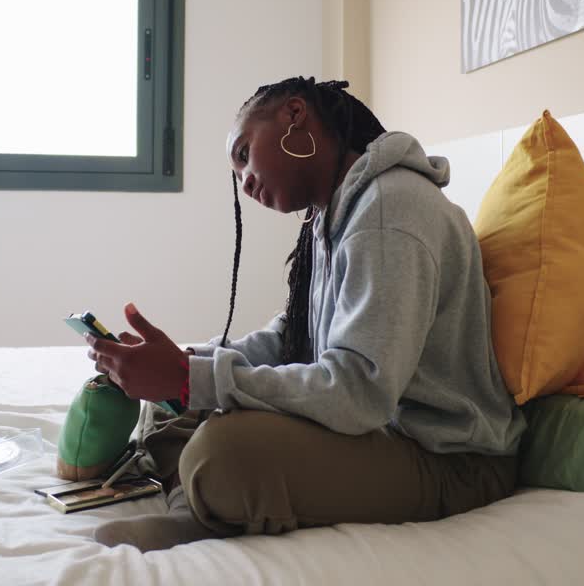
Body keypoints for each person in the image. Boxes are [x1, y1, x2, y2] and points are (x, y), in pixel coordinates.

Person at [84, 77, 525, 551]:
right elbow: (289, 338)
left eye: (243, 155)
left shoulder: (390, 209)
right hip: (376, 429)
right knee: (170, 411)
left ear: (294, 115)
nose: (244, 182)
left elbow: (360, 391)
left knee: (223, 452)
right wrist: (185, 365)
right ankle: (195, 509)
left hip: (446, 457)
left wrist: (195, 379)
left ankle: (206, 505)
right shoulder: (332, 215)